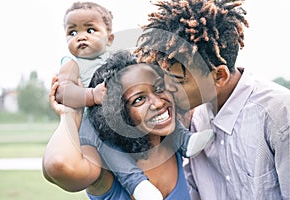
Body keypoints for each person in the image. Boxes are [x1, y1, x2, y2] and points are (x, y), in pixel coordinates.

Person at [52, 2, 214, 199]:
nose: (81, 37)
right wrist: (77, 107)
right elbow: (60, 163)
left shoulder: (120, 59)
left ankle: (186, 141)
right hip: (94, 121)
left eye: (91, 30)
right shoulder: (71, 65)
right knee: (110, 150)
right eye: (72, 33)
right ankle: (137, 184)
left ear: (109, 38)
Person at [135, 0, 290, 199]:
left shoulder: (280, 114)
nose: (167, 90)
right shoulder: (192, 121)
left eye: (178, 81)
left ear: (219, 76)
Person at [43, 50, 193, 199]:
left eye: (159, 88)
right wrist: (70, 114)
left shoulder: (179, 141)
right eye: (139, 99)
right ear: (119, 113)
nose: (159, 103)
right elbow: (59, 164)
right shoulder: (104, 166)